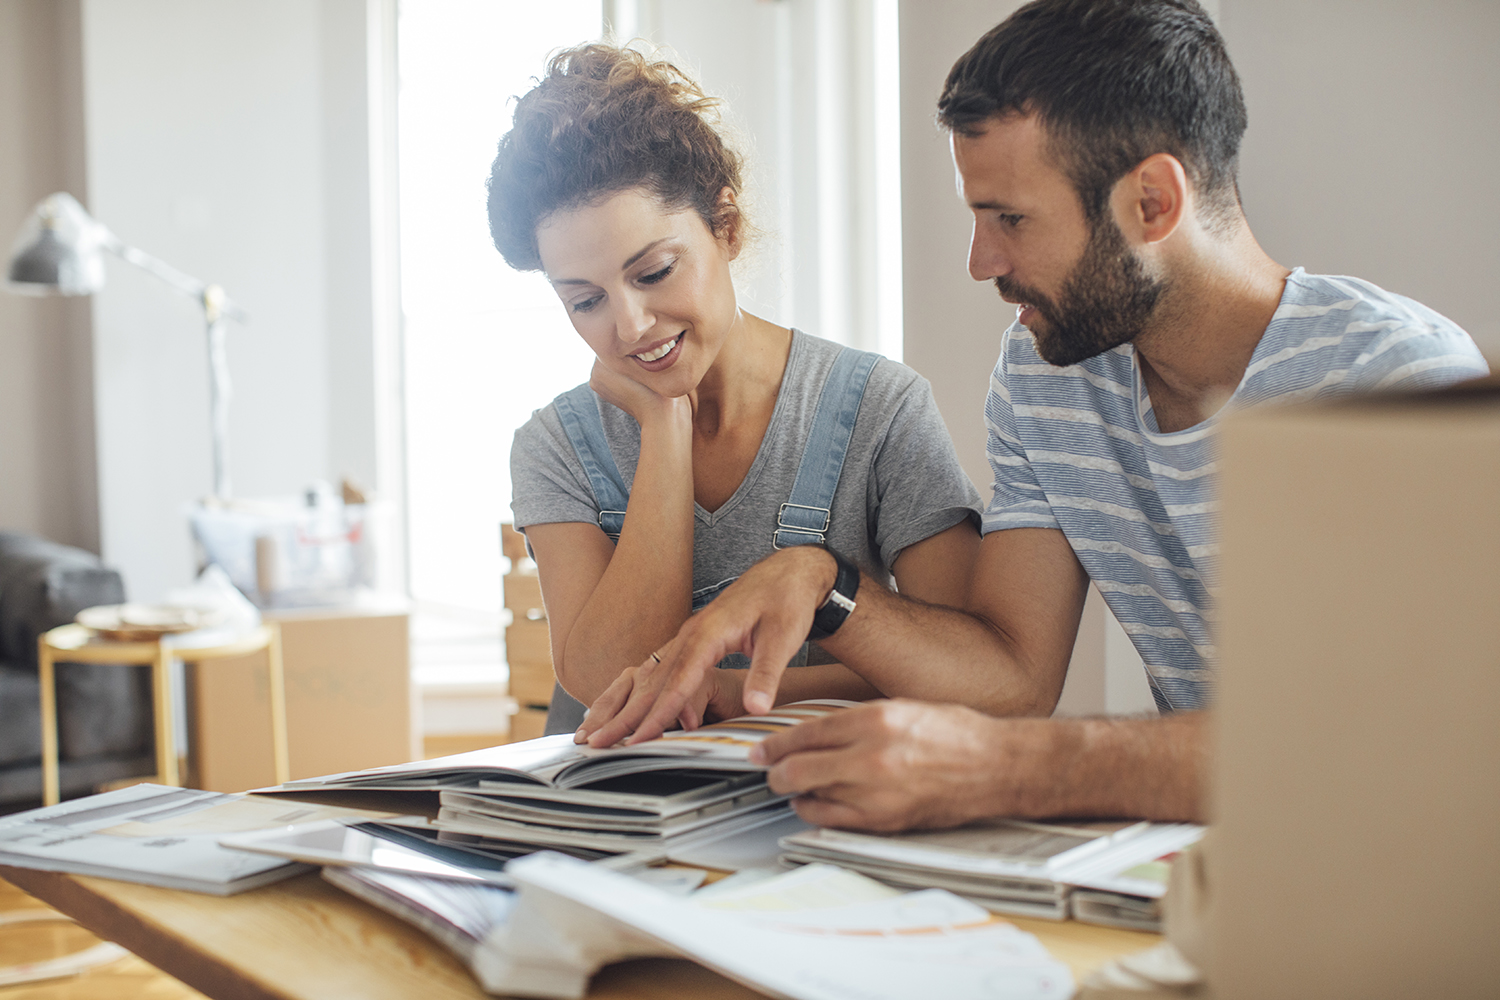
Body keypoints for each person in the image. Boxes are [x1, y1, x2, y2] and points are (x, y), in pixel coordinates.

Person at [574, 0, 1490, 828]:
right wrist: (825, 583)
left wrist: (1010, 770)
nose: (980, 261)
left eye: (1009, 219)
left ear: (1153, 201)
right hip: (1195, 867)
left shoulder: (1399, 379)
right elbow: (1009, 680)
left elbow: (1407, 753)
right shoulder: (1048, 372)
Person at [489, 44, 982, 736]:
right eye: (585, 301)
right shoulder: (556, 447)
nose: (630, 326)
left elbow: (966, 671)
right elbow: (605, 675)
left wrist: (739, 691)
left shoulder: (880, 410)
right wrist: (665, 427)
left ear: (728, 228)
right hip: (606, 826)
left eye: (655, 272)